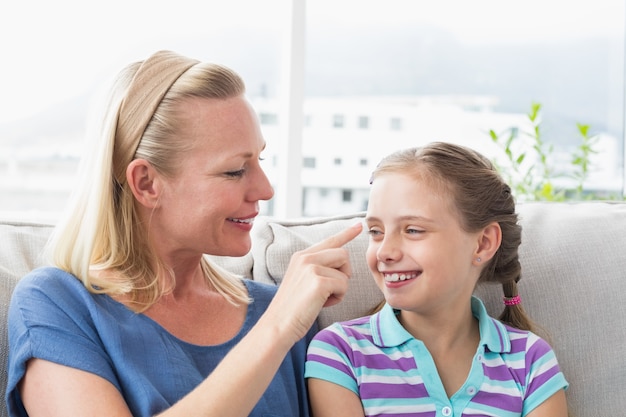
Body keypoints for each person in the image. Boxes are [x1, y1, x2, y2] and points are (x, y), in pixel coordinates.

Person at [6, 50, 362, 417]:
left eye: (260, 160)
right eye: (235, 170)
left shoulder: (279, 308)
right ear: (146, 183)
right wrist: (277, 328)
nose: (266, 189)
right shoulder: (57, 304)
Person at [305, 142, 569, 417]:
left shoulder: (530, 360)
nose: (385, 252)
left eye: (413, 230)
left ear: (482, 244)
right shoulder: (340, 352)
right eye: (375, 231)